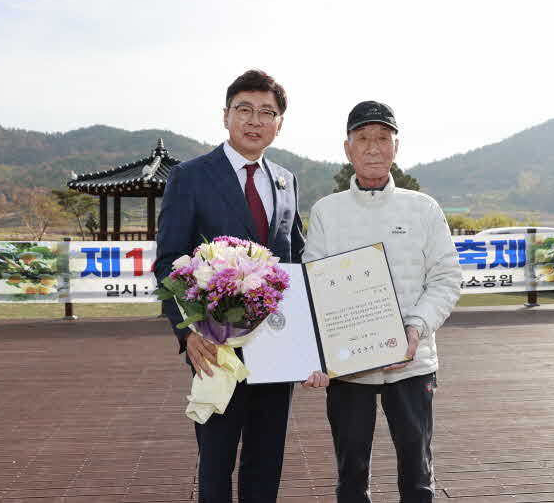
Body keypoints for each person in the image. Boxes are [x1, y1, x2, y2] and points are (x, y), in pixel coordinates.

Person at [155, 69, 312, 503]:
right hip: (216, 345)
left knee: (266, 458)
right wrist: (186, 332)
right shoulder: (190, 177)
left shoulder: (286, 180)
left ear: (280, 124)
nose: (255, 120)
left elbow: (295, 260)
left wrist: (310, 342)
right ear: (225, 116)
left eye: (268, 112)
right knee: (216, 458)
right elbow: (168, 260)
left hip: (277, 345)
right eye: (244, 109)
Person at [303, 101, 462, 503]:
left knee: (417, 472)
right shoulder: (326, 211)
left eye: (382, 138)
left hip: (413, 361)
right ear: (347, 148)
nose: (373, 148)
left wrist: (416, 329)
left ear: (396, 146)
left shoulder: (423, 207)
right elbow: (313, 287)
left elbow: (445, 279)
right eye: (363, 139)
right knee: (351, 474)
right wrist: (316, 355)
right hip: (349, 366)